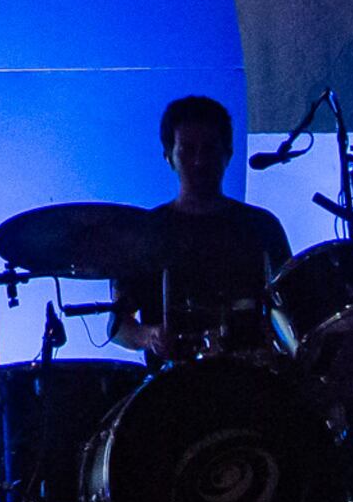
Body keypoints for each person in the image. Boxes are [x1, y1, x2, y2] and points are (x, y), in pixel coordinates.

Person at [114, 94, 291, 361]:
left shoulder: (261, 227)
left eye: (209, 149)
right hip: (170, 387)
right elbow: (118, 326)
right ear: (169, 156)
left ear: (227, 154)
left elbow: (292, 308)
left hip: (252, 381)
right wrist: (151, 336)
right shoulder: (145, 233)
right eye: (188, 149)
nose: (199, 161)